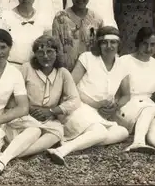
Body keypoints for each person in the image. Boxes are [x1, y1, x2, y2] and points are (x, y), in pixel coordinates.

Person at [0, 35, 81, 175]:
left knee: (57, 132)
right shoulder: (26, 68)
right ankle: (3, 161)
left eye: (50, 51)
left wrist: (51, 111)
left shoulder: (63, 73)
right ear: (35, 54)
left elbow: (75, 100)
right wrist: (29, 108)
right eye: (40, 52)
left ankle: (7, 153)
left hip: (47, 118)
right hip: (23, 115)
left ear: (57, 53)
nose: (45, 56)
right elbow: (11, 95)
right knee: (35, 130)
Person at [46, 26, 129, 165]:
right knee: (101, 133)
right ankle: (62, 151)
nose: (109, 46)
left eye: (113, 42)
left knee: (123, 132)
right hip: (78, 107)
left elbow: (127, 95)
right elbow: (70, 87)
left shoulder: (122, 65)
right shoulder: (88, 58)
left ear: (119, 44)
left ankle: (83, 140)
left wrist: (115, 106)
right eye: (104, 42)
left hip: (100, 114)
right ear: (99, 44)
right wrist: (95, 104)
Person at [115, 27, 155, 154]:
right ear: (138, 43)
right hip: (126, 105)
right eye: (145, 43)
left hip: (145, 106)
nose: (148, 48)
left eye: (152, 44)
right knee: (149, 108)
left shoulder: (154, 63)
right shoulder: (125, 60)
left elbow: (151, 89)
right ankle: (137, 142)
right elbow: (121, 92)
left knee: (152, 123)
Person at [0, 0, 52, 68]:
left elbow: (49, 47)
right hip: (11, 68)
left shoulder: (44, 18)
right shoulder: (4, 18)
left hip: (36, 68)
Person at [52, 0, 103, 71]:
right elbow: (56, 47)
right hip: (66, 70)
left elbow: (99, 48)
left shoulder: (97, 19)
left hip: (90, 70)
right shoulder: (60, 18)